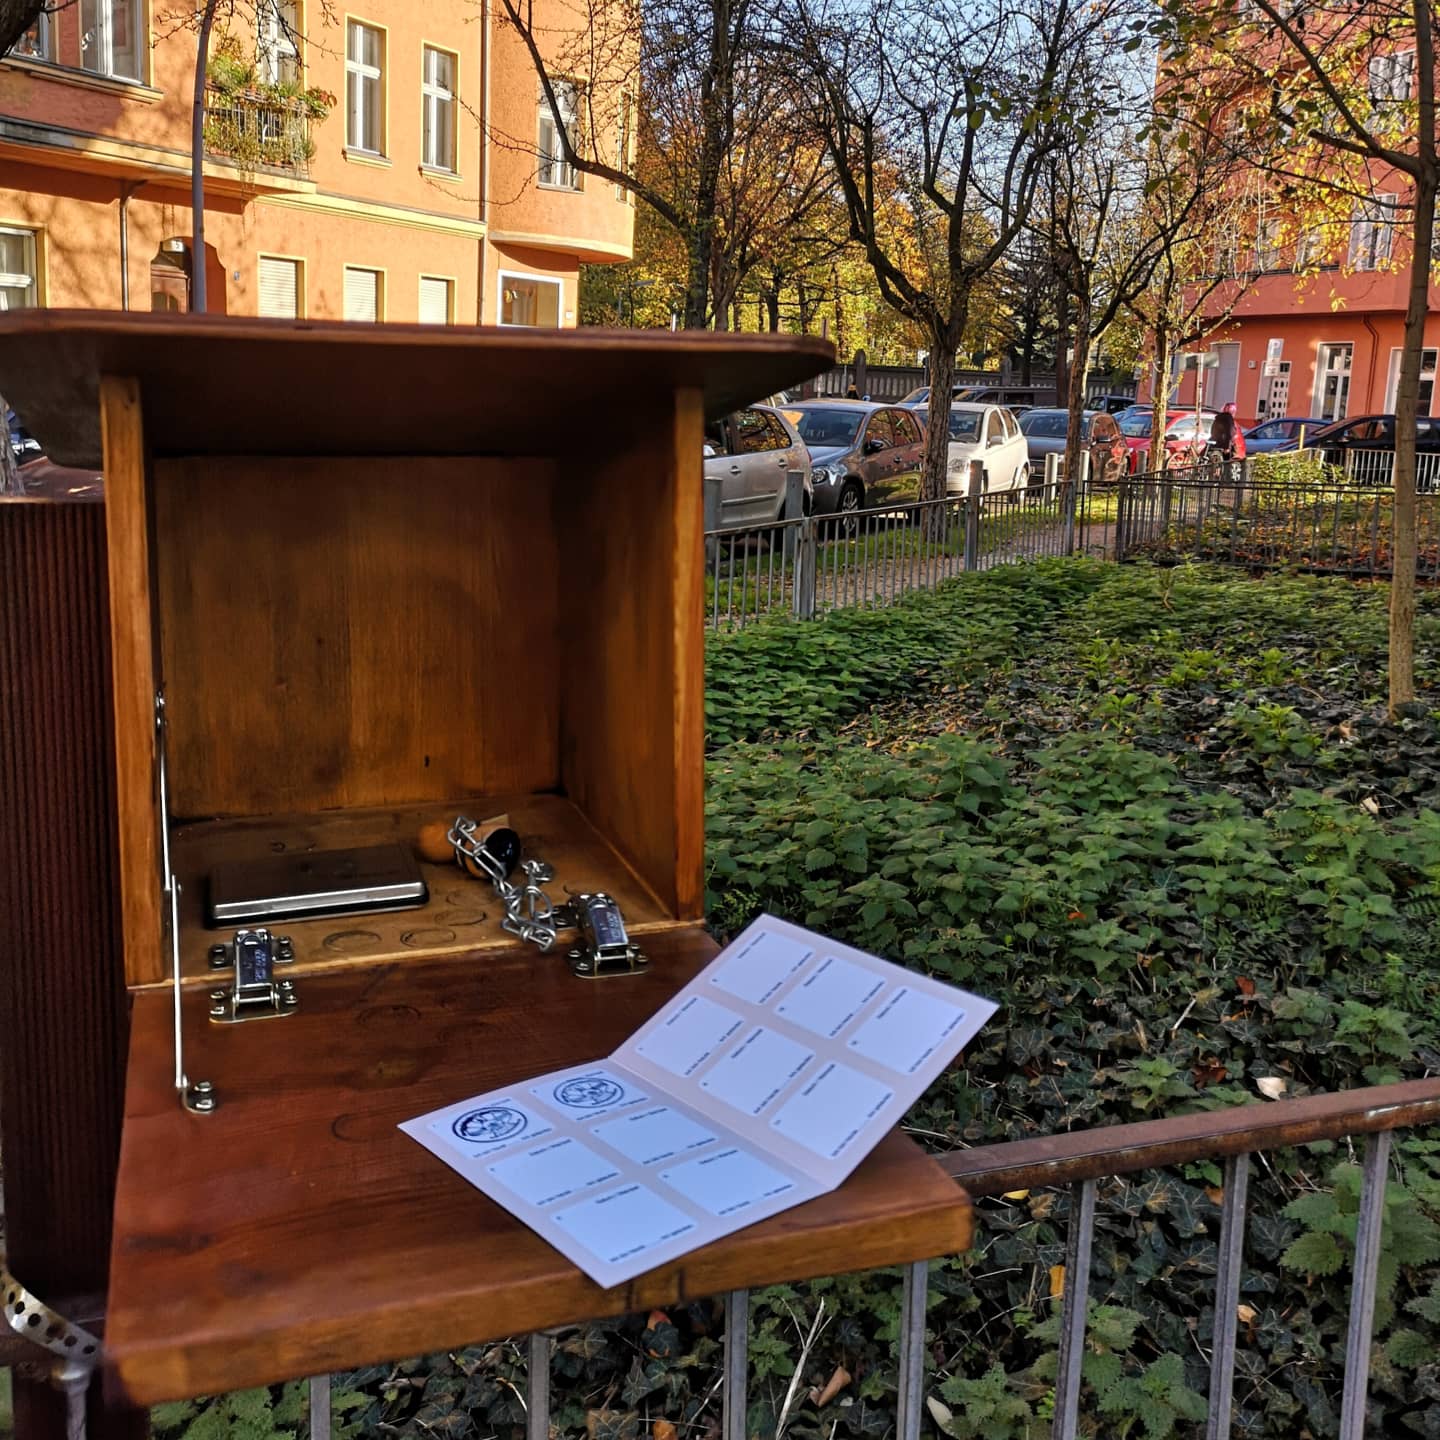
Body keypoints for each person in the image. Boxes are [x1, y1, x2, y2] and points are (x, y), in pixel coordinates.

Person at [1209, 402, 1240, 484]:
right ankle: (1225, 480)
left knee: (1216, 462)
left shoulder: (1218, 417)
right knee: (1227, 462)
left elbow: (1212, 431)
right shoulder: (1229, 419)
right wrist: (1227, 446)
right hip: (1225, 444)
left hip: (1216, 443)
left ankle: (1215, 477)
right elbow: (1230, 433)